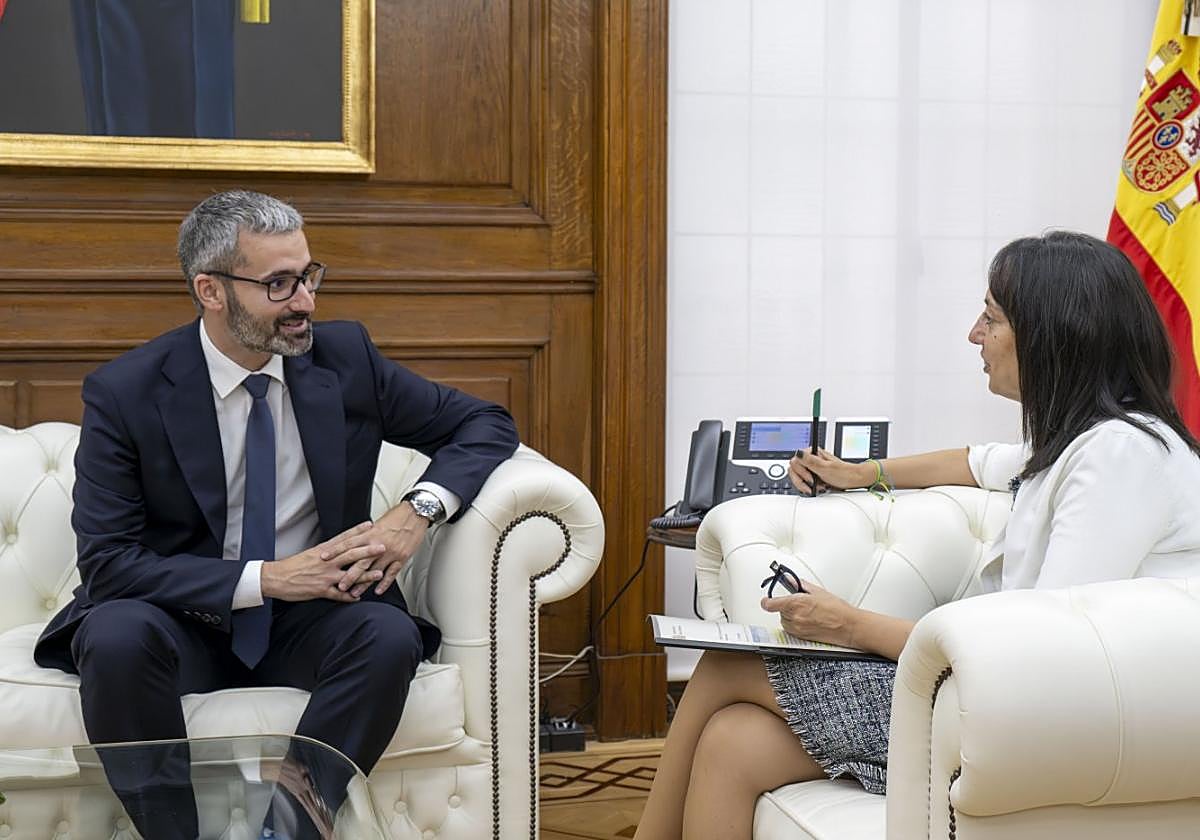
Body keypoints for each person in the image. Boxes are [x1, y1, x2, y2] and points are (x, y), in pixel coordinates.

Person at [634, 230, 1200, 840]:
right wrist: (863, 473)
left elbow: (1040, 653)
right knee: (733, 744)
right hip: (984, 695)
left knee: (725, 667)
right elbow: (976, 461)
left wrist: (849, 625)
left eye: (992, 318)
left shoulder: (1119, 455)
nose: (973, 335)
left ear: (1054, 337)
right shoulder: (1078, 443)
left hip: (1035, 719)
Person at [33, 189, 520, 839]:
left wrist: (418, 510)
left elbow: (484, 423)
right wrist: (268, 578)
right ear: (211, 290)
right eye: (280, 284)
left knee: (387, 635)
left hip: (308, 621)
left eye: (310, 276)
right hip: (181, 620)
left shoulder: (343, 360)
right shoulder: (129, 392)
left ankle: (291, 825)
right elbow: (110, 564)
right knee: (115, 635)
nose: (306, 302)